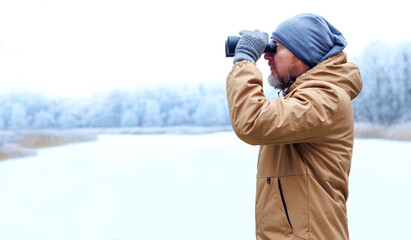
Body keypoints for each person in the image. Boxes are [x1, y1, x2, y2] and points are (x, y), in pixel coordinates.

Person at [226, 13, 363, 240]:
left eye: (275, 48)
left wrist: (245, 59)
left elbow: (252, 121)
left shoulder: (327, 98)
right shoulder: (306, 99)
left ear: (303, 54)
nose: (267, 56)